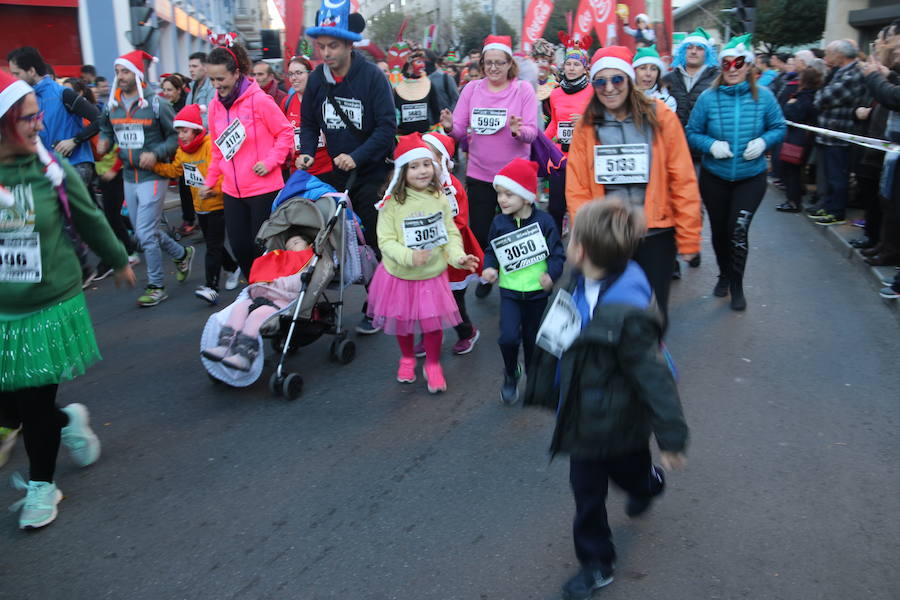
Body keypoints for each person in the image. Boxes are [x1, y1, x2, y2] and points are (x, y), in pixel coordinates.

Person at [523, 198, 688, 600]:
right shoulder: (576, 281)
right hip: (582, 417)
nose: (567, 239)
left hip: (622, 419)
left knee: (630, 473)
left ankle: (647, 483)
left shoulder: (628, 313)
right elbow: (555, 333)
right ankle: (596, 562)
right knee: (587, 492)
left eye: (572, 234)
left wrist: (671, 437)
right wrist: (545, 382)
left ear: (581, 250)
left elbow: (654, 376)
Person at [0, 71, 137, 529]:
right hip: (2, 310)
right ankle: (69, 421)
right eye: (27, 119)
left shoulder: (47, 169)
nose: (39, 126)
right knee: (12, 404)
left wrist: (118, 259)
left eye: (38, 116)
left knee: (33, 406)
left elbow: (88, 215)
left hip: (47, 305)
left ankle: (44, 485)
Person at [566, 46, 702, 321]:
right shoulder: (588, 125)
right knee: (607, 312)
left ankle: (649, 359)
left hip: (655, 233)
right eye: (601, 81)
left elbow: (682, 177)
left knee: (653, 312)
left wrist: (688, 238)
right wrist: (585, 236)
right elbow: (577, 186)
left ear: (629, 79)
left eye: (617, 79)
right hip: (608, 234)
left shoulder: (660, 115)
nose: (609, 88)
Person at [297, 0, 397, 334]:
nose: (325, 53)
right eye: (321, 46)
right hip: (336, 175)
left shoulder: (370, 77)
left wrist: (357, 155)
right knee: (331, 241)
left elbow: (386, 129)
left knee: (372, 241)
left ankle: (376, 304)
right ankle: (315, 307)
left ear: (350, 44)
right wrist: (308, 151)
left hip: (370, 172)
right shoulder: (316, 80)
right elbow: (309, 122)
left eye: (333, 46)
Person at [367, 134, 479, 393]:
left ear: (436, 166)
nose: (422, 171)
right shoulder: (391, 203)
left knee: (432, 325)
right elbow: (385, 241)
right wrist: (410, 256)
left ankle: (433, 364)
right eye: (414, 166)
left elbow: (449, 234)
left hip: (431, 274)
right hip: (400, 275)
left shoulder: (439, 196)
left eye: (426, 164)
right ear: (402, 171)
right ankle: (407, 358)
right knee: (403, 322)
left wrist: (458, 257)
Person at [686, 34, 786, 311]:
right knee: (719, 232)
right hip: (714, 176)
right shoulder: (708, 98)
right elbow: (692, 133)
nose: (732, 68)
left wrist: (765, 141)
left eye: (738, 62)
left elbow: (779, 127)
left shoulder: (764, 97)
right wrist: (711, 145)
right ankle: (724, 274)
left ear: (748, 66)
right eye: (727, 63)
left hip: (750, 177)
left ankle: (737, 284)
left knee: (737, 231)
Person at [441, 34, 539, 299]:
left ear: (510, 64)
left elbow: (532, 131)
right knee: (482, 232)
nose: (493, 68)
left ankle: (520, 281)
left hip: (515, 176)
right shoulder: (472, 90)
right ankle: (488, 272)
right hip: (480, 173)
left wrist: (519, 131)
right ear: (482, 64)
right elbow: (459, 131)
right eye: (488, 63)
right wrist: (450, 126)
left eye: (499, 62)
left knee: (517, 231)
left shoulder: (523, 90)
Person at [97, 49, 195, 307]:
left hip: (153, 176)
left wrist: (156, 153)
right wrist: (105, 141)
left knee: (144, 233)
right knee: (145, 231)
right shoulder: (113, 104)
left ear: (138, 74)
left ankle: (156, 285)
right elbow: (106, 127)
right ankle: (181, 253)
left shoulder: (156, 104)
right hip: (129, 176)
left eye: (126, 71)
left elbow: (175, 136)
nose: (120, 76)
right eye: (118, 72)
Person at [201, 41, 293, 281]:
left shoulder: (259, 100)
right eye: (212, 80)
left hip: (264, 188)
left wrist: (271, 161)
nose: (216, 85)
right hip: (232, 190)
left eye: (220, 78)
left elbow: (285, 133)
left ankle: (269, 297)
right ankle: (255, 294)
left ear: (236, 73)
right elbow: (217, 149)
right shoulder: (214, 107)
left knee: (261, 250)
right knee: (241, 250)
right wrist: (210, 182)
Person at [481, 158, 564, 404]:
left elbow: (558, 253)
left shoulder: (545, 222)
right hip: (509, 291)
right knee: (507, 337)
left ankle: (534, 376)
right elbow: (491, 251)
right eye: (499, 194)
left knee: (531, 340)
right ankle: (511, 372)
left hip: (538, 293)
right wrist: (490, 268)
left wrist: (552, 275)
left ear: (527, 197)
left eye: (509, 194)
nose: (502, 200)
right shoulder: (499, 222)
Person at [152, 104, 240, 304]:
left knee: (212, 246)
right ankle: (233, 268)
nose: (181, 136)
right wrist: (155, 166)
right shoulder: (182, 151)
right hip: (199, 205)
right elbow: (176, 171)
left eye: (185, 131)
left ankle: (211, 287)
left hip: (217, 203)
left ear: (196, 129)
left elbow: (221, 172)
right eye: (179, 132)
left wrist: (212, 189)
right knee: (213, 242)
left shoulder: (210, 145)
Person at [202, 233, 314, 371]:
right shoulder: (281, 259)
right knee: (239, 308)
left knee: (257, 315)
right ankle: (225, 345)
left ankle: (245, 354)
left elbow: (297, 284)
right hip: (260, 295)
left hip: (281, 301)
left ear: (309, 246)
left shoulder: (308, 263)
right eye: (288, 246)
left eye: (296, 243)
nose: (291, 248)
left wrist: (274, 282)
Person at [420, 132, 484, 355]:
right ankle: (428, 335)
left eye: (428, 159)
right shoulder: (415, 184)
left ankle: (467, 332)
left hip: (450, 254)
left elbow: (458, 221)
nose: (422, 167)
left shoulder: (451, 188)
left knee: (452, 301)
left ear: (442, 160)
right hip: (424, 254)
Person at [7, 47, 101, 190]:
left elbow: (100, 119)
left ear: (31, 71)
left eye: (16, 73)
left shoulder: (63, 93)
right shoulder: (25, 99)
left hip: (75, 165)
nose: (13, 79)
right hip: (47, 169)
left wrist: (74, 141)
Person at [807, 40, 868, 226]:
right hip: (829, 133)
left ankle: (836, 211)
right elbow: (821, 96)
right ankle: (827, 205)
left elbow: (825, 97)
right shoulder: (839, 72)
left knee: (837, 176)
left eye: (829, 53)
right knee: (828, 175)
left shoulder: (853, 74)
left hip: (839, 133)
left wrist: (821, 98)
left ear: (840, 55)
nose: (826, 57)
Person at [546, 34, 594, 234]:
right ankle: (555, 247)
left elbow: (600, 123)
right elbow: (554, 124)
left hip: (583, 157)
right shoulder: (555, 93)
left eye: (576, 64)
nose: (572, 68)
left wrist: (585, 121)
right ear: (563, 67)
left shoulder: (593, 92)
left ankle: (584, 247)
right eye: (569, 64)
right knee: (555, 207)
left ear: (585, 68)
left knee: (582, 208)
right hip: (560, 157)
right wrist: (538, 141)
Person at [775, 67, 822, 213]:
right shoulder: (812, 95)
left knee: (792, 169)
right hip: (803, 137)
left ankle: (793, 201)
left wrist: (789, 105)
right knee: (794, 169)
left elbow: (793, 115)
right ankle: (794, 197)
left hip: (799, 138)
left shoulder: (804, 97)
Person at [282, 55, 332, 177]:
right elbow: (280, 134)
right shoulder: (287, 102)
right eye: (290, 74)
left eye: (299, 73)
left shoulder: (326, 99)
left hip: (327, 169)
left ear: (311, 74)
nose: (294, 78)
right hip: (298, 171)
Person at [160, 73, 196, 236]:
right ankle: (190, 219)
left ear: (179, 90)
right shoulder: (165, 106)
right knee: (184, 188)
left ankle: (192, 220)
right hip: (176, 155)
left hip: (190, 153)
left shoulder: (185, 105)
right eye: (164, 90)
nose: (166, 93)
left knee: (189, 187)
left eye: (169, 89)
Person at [662, 28, 719, 129]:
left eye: (699, 48)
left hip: (703, 141)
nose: (693, 51)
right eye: (689, 47)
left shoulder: (717, 78)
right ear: (683, 51)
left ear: (707, 53)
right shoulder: (668, 79)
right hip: (674, 139)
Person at [394, 49, 441, 135]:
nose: (423, 65)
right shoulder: (396, 85)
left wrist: (436, 130)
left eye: (423, 62)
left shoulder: (428, 84)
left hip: (424, 135)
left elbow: (436, 111)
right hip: (402, 136)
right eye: (419, 62)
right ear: (409, 65)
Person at [633, 45, 677, 111]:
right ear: (634, 71)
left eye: (653, 69)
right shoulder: (624, 100)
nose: (648, 74)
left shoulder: (667, 102)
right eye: (643, 68)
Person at [185, 52, 215, 123]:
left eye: (194, 66)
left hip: (205, 132)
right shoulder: (193, 86)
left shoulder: (212, 87)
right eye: (189, 66)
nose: (191, 70)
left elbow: (210, 115)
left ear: (206, 68)